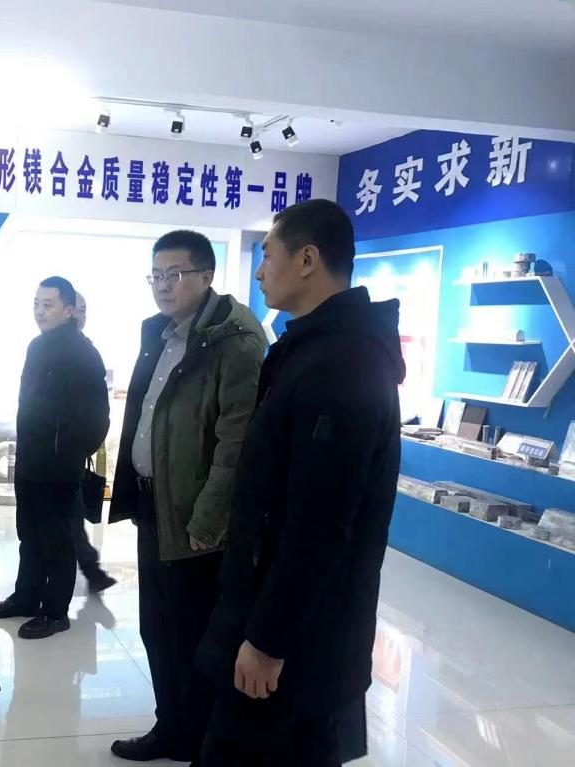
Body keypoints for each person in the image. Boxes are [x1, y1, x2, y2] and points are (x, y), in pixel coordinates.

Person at [196, 199, 404, 766]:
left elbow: (319, 526)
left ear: (307, 259)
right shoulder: (312, 349)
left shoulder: (343, 367)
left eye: (268, 255)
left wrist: (269, 639)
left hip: (302, 646)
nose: (261, 271)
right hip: (280, 623)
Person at [109, 231, 266, 762]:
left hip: (196, 518)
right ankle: (172, 727)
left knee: (193, 634)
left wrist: (207, 518)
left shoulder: (233, 342)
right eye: (155, 275)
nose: (162, 285)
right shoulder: (162, 333)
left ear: (206, 276)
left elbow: (236, 443)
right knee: (159, 628)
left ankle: (201, 738)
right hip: (155, 504)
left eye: (174, 274)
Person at [0, 277, 110, 639]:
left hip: (59, 467)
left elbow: (97, 417)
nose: (40, 311)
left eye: (48, 304)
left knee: (57, 541)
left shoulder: (83, 353)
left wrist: (71, 453)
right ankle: (26, 597)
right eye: (36, 303)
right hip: (30, 461)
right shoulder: (37, 346)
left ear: (69, 310)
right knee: (30, 536)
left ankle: (55, 612)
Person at [72, 291, 116, 594]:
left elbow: (99, 410)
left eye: (83, 309)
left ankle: (90, 570)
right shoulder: (45, 348)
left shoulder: (85, 353)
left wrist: (84, 445)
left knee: (70, 516)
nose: (80, 315)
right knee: (67, 518)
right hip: (48, 457)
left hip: (68, 456)